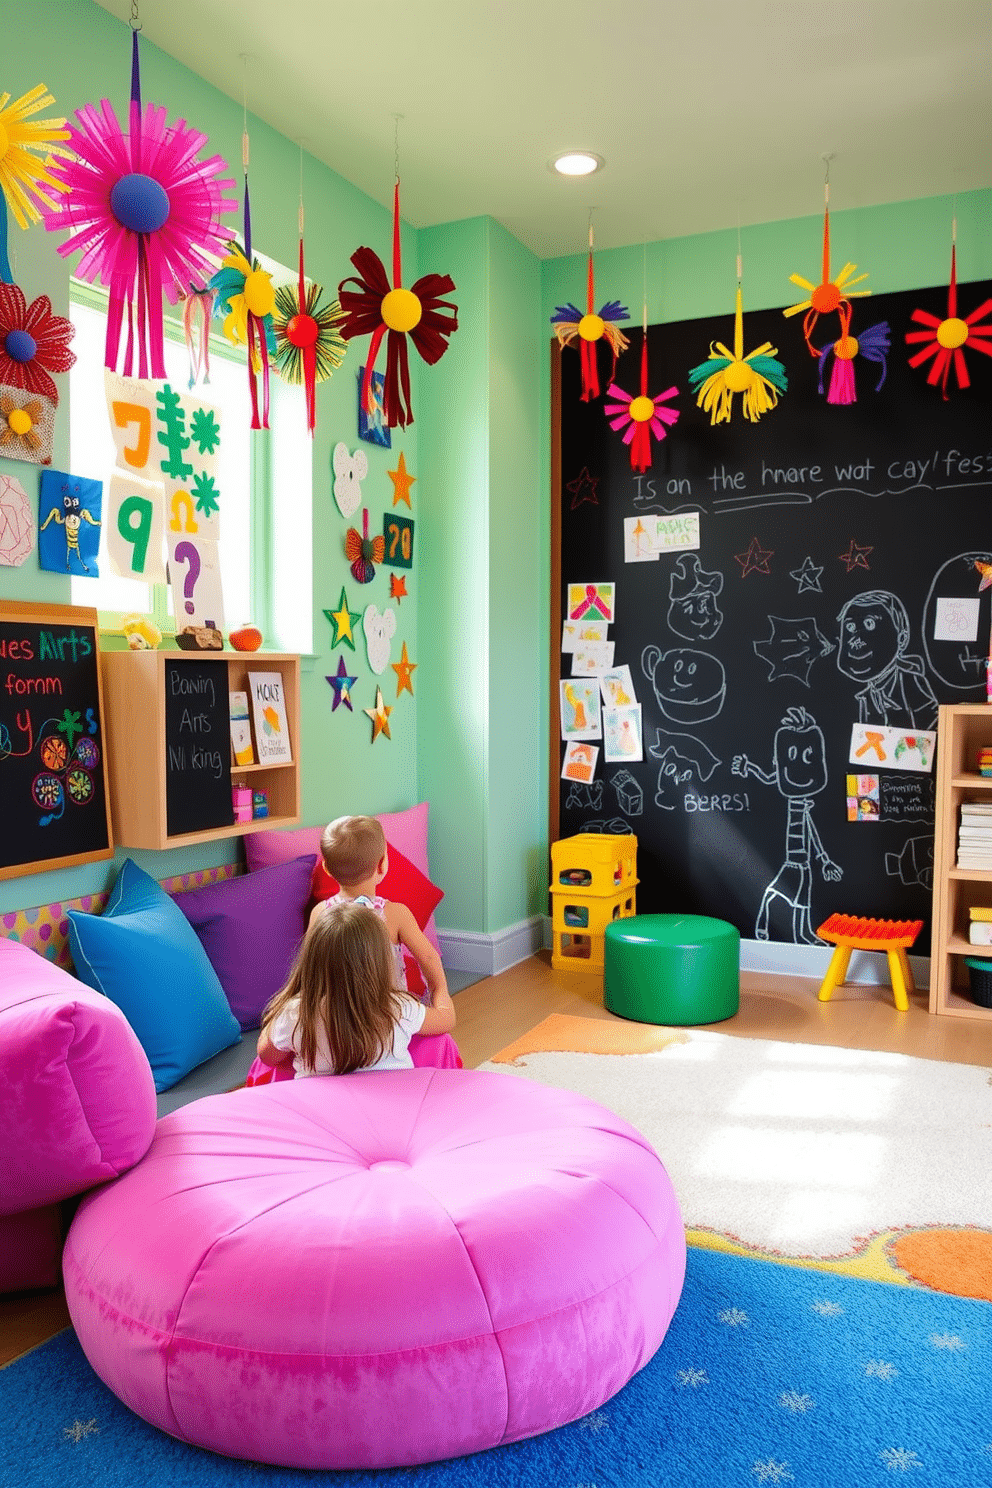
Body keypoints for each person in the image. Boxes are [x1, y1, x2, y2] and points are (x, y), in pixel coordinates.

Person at [256, 899, 456, 1077]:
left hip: (321, 1114)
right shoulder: (399, 1008)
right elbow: (446, 1018)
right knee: (440, 1042)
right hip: (389, 1112)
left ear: (312, 962)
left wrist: (280, 1010)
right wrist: (439, 989)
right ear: (381, 963)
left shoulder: (297, 1012)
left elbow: (266, 1057)